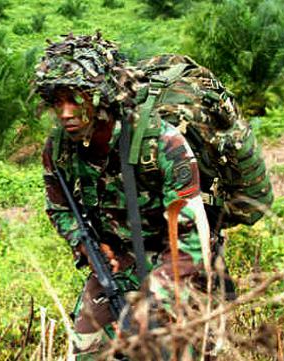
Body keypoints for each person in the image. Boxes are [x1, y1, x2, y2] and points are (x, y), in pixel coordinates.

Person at [34, 33, 239, 360]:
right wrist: (87, 245)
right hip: (119, 261)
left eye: (75, 99)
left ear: (101, 96)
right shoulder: (59, 149)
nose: (65, 113)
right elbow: (59, 210)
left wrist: (150, 301)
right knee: (86, 351)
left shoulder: (161, 144)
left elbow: (192, 243)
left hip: (180, 262)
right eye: (57, 102)